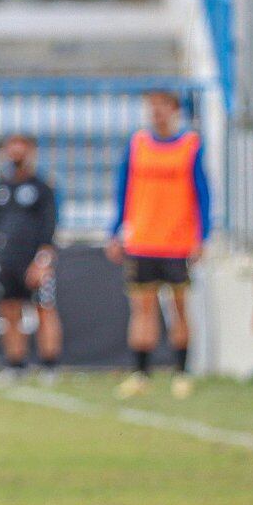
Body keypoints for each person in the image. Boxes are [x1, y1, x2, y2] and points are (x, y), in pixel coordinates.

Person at [107, 90, 209, 398]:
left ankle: (181, 373)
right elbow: (123, 190)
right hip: (142, 240)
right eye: (152, 107)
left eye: (163, 107)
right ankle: (141, 374)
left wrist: (202, 236)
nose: (157, 113)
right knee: (142, 309)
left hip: (177, 241)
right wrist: (116, 231)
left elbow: (203, 193)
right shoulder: (137, 144)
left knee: (179, 308)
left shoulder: (190, 145)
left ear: (174, 110)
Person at [0, 133, 61, 384]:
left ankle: (49, 366)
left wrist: (42, 262)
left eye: (21, 146)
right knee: (10, 313)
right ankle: (15, 365)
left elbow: (50, 229)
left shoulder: (43, 188)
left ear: (31, 151)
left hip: (34, 261)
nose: (16, 151)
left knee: (44, 311)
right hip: (5, 262)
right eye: (11, 146)